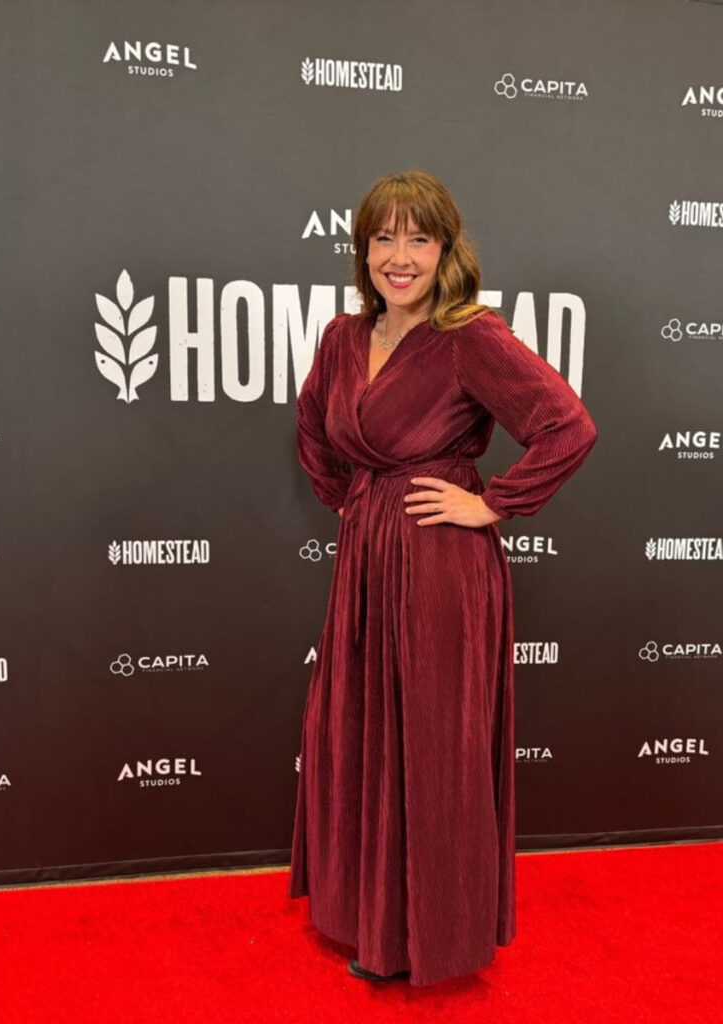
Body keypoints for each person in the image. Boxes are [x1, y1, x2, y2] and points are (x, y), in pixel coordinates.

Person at [288, 169, 597, 987]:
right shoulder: (342, 340)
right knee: (359, 727)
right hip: (366, 561)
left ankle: (431, 934)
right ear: (363, 252)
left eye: (418, 238)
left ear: (445, 250)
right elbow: (314, 435)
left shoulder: (471, 336)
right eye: (383, 238)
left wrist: (491, 504)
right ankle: (365, 917)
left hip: (439, 566)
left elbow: (569, 426)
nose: (400, 256)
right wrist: (360, 504)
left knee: (431, 742)